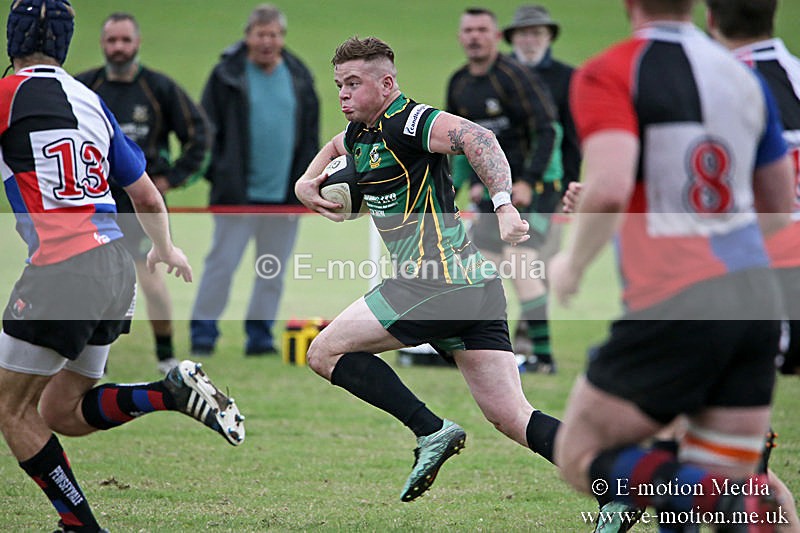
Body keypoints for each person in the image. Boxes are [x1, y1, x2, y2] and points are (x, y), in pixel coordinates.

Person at [294, 35, 610, 516]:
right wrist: (306, 179)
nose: (343, 94)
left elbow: (479, 138)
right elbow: (337, 144)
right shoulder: (360, 133)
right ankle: (617, 488)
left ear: (387, 83)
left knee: (324, 351)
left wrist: (503, 206)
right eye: (339, 84)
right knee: (512, 417)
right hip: (472, 287)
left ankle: (429, 429)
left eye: (354, 84)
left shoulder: (410, 121)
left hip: (435, 282)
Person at [0, 1, 245, 531]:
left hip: (61, 269)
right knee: (62, 412)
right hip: (115, 265)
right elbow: (147, 194)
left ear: (11, 40)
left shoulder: (6, 95)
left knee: (10, 409)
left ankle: (80, 525)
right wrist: (166, 249)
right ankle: (167, 392)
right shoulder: (89, 100)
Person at [550, 0, 793, 530]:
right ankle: (725, 498)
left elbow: (611, 188)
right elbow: (778, 204)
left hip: (678, 296)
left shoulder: (611, 69)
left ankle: (720, 497)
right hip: (757, 300)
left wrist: (572, 262)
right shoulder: (742, 77)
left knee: (579, 453)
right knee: (703, 484)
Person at [76, 12, 211, 375]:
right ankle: (92, 359)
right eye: (111, 41)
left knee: (151, 281)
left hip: (143, 201)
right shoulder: (84, 88)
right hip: (96, 201)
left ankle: (165, 353)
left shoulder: (159, 88)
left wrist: (171, 179)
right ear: (102, 44)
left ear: (137, 43)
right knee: (92, 280)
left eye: (125, 40)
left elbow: (199, 136)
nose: (118, 48)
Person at [190, 3, 319, 357]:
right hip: (237, 195)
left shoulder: (299, 76)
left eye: (274, 35)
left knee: (271, 271)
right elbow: (205, 129)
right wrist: (219, 173)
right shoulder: (226, 75)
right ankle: (203, 333)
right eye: (261, 34)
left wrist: (307, 184)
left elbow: (310, 136)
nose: (267, 41)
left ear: (282, 38)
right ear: (248, 37)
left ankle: (260, 338)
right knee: (222, 264)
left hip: (285, 195)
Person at [446, 8, 562, 373]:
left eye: (483, 29)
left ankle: (543, 358)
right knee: (482, 270)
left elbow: (547, 131)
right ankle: (485, 352)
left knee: (521, 264)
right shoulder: (460, 83)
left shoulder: (516, 77)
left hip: (537, 188)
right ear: (460, 37)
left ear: (496, 37)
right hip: (496, 197)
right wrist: (455, 189)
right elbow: (458, 144)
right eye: (468, 30)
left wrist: (527, 181)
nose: (475, 36)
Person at [503, 4, 581, 264]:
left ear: (549, 37)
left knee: (542, 260)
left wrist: (568, 186)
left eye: (536, 33)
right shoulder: (498, 76)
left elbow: (572, 137)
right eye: (523, 34)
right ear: (513, 38)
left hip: (550, 185)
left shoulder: (567, 78)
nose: (529, 41)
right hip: (500, 186)